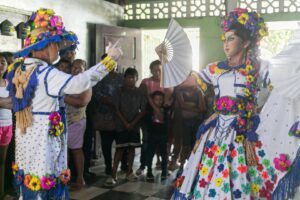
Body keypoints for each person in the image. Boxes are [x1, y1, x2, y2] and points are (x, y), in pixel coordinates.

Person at [8, 8, 122, 199]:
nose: (59, 48)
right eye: (56, 44)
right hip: (43, 141)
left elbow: (11, 101)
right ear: (45, 45)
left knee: (29, 181)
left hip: (26, 137)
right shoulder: (46, 73)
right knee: (44, 184)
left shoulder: (20, 68)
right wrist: (108, 61)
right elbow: (78, 84)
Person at [171, 8, 284, 199]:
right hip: (216, 130)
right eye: (224, 38)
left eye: (231, 38)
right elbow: (188, 81)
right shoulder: (214, 68)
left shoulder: (260, 68)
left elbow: (279, 91)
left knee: (244, 177)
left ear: (246, 42)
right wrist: (171, 68)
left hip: (243, 132)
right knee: (208, 176)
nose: (226, 43)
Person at [106, 67, 146, 185]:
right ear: (124, 79)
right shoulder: (119, 91)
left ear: (136, 79)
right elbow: (116, 109)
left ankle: (129, 172)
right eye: (128, 77)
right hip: (120, 124)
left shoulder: (139, 92)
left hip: (134, 125)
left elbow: (143, 110)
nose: (130, 80)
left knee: (132, 148)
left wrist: (132, 123)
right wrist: (125, 123)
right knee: (120, 149)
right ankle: (113, 175)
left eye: (132, 78)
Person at [91, 61, 126, 176]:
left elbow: (127, 92)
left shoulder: (122, 77)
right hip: (105, 115)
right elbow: (96, 94)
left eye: (113, 62)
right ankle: (108, 166)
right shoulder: (99, 77)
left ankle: (124, 164)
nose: (111, 65)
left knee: (122, 142)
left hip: (121, 115)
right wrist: (110, 101)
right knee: (106, 143)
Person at [169, 73, 207, 171]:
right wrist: (195, 108)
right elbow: (182, 105)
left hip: (196, 121)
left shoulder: (199, 91)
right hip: (183, 121)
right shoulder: (179, 91)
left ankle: (193, 163)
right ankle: (181, 164)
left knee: (194, 142)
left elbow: (202, 108)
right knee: (184, 143)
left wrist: (191, 108)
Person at [137, 60, 164, 175]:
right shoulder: (145, 82)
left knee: (161, 140)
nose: (157, 72)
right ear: (151, 70)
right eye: (155, 69)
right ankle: (143, 165)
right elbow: (143, 96)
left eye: (159, 70)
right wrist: (154, 108)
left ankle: (162, 164)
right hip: (148, 116)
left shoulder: (166, 82)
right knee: (147, 141)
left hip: (162, 116)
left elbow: (167, 99)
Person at [66, 59, 88, 191]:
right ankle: (64, 179)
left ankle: (80, 178)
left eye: (80, 68)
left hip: (76, 121)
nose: (76, 70)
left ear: (85, 70)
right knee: (63, 152)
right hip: (61, 121)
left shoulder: (85, 83)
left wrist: (61, 96)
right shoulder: (66, 80)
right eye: (74, 67)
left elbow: (81, 101)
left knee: (76, 149)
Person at [145, 91, 169, 180]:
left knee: (164, 154)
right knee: (150, 153)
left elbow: (161, 116)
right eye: (156, 100)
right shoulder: (149, 110)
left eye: (160, 100)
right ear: (153, 100)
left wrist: (150, 101)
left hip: (162, 135)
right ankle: (149, 171)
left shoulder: (165, 109)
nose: (158, 101)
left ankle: (164, 171)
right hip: (152, 134)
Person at [0, 53, 13, 199]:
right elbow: (10, 102)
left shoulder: (9, 84)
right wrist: (7, 102)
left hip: (7, 125)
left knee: (2, 162)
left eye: (3, 62)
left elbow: (15, 103)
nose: (0, 65)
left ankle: (1, 192)